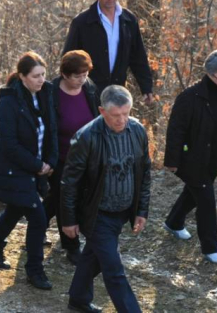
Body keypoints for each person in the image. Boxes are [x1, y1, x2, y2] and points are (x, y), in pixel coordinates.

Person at [61, 85, 151, 313]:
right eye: (115, 115)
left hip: (123, 211)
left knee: (93, 257)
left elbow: (144, 172)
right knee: (114, 269)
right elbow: (69, 182)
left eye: (126, 113)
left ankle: (78, 300)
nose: (122, 120)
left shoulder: (138, 131)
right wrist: (68, 218)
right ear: (102, 111)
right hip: (97, 213)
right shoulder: (86, 137)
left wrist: (141, 210)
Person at [163, 49, 217, 265]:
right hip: (192, 158)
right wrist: (172, 161)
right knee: (206, 199)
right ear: (210, 74)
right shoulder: (190, 97)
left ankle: (173, 222)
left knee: (195, 193)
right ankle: (211, 248)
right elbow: (176, 130)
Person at [0, 52, 58, 290]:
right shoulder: (8, 102)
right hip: (14, 171)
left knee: (16, 209)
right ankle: (34, 270)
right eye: (36, 76)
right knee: (38, 217)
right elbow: (9, 145)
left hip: (36, 168)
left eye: (44, 74)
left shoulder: (46, 93)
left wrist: (51, 161)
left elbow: (51, 130)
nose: (41, 80)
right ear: (22, 76)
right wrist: (38, 166)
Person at [63, 0, 153, 104]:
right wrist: (68, 91)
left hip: (118, 90)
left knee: (117, 123)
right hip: (88, 92)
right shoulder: (82, 22)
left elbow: (138, 56)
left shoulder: (129, 20)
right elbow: (68, 59)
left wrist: (146, 87)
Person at [43, 50, 99, 266]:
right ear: (65, 74)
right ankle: (72, 246)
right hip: (60, 156)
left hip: (84, 156)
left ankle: (37, 223)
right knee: (65, 199)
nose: (82, 79)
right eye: (77, 76)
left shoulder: (89, 88)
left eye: (85, 74)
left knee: (57, 198)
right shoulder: (51, 92)